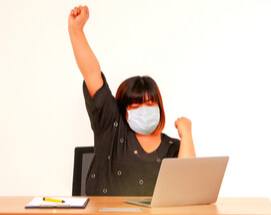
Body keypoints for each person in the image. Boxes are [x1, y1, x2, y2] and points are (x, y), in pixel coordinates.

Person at [68, 5, 196, 196]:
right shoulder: (112, 129)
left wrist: (186, 134)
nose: (144, 110)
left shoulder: (172, 148)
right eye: (136, 105)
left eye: (150, 104)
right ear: (124, 110)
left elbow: (188, 187)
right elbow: (93, 75)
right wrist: (76, 31)